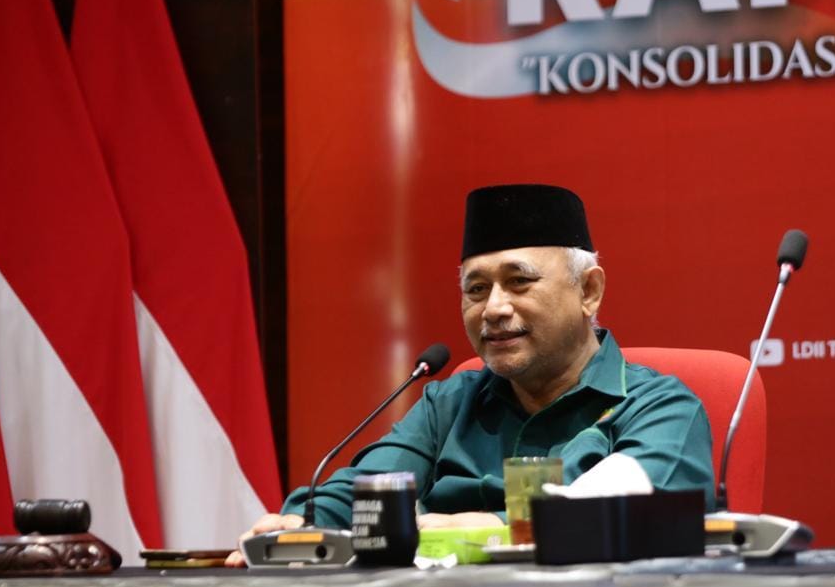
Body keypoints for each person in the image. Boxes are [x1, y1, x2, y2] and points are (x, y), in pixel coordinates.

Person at [226, 184, 713, 566]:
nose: (494, 308)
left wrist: (480, 530)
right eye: (476, 289)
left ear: (588, 292)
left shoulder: (660, 408)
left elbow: (632, 515)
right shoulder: (448, 402)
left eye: (519, 281)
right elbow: (370, 490)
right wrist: (303, 523)